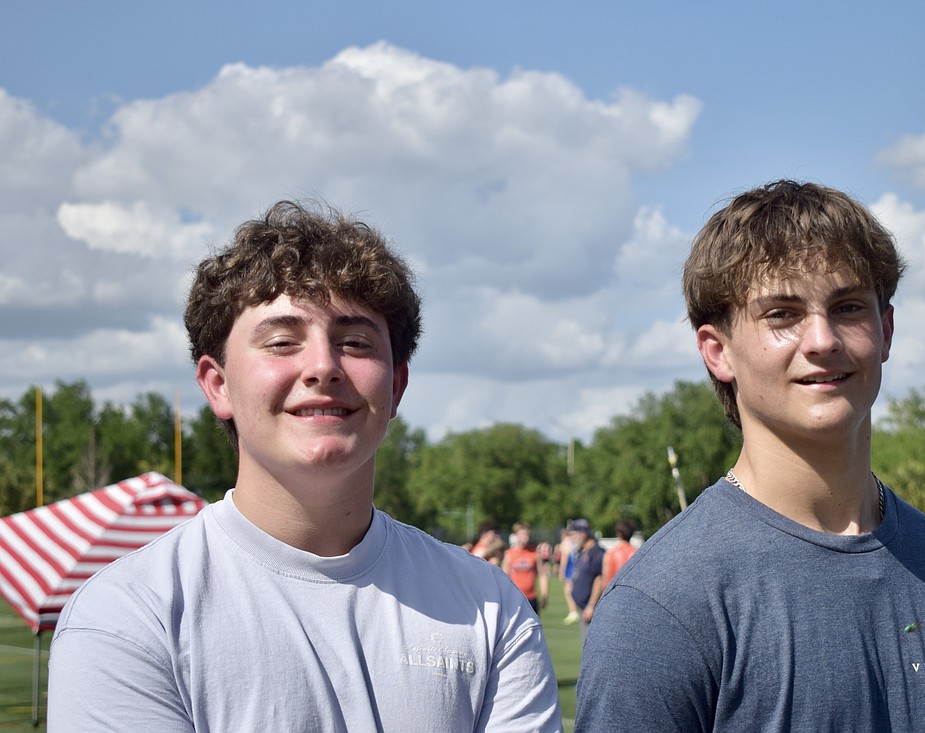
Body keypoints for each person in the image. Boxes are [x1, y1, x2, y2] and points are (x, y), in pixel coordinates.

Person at [48, 200, 562, 731]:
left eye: (355, 342)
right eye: (282, 342)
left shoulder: (488, 608)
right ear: (217, 384)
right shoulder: (130, 618)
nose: (322, 366)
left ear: (397, 385)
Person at [575, 180, 925, 731]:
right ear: (718, 352)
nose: (822, 339)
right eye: (782, 314)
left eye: (848, 307)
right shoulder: (662, 605)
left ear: (885, 331)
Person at [567, 518, 604, 644]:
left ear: (583, 534)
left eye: (573, 535)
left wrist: (591, 605)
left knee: (591, 646)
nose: (571, 539)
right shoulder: (583, 551)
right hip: (584, 608)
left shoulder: (597, 553)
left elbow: (599, 579)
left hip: (591, 610)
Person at [502, 522, 549, 613]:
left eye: (527, 534)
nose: (526, 537)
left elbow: (542, 575)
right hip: (514, 599)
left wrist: (544, 594)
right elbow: (503, 577)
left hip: (531, 598)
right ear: (516, 536)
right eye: (523, 534)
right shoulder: (509, 554)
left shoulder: (534, 553)